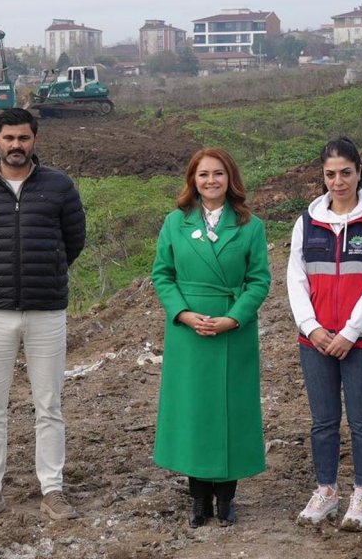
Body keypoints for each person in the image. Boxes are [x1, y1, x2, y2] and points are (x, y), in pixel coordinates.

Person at [0, 108, 86, 522]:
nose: (16, 145)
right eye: (9, 138)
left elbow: (74, 240)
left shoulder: (60, 187)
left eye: (23, 138)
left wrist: (44, 273)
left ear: (34, 141)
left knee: (49, 404)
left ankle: (53, 489)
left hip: (47, 311)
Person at [152, 148, 271, 528]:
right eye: (203, 175)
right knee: (195, 412)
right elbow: (162, 275)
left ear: (230, 178)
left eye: (218, 174)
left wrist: (233, 318)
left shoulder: (250, 225)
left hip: (232, 332)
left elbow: (259, 280)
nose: (210, 181)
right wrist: (184, 315)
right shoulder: (175, 222)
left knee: (231, 412)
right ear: (193, 180)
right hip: (190, 334)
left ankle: (227, 498)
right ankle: (198, 499)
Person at [287, 138, 362, 532]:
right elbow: (295, 280)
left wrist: (350, 332)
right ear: (323, 176)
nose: (338, 181)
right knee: (323, 421)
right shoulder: (307, 223)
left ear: (359, 171)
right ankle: (326, 490)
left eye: (345, 173)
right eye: (330, 174)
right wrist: (311, 328)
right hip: (315, 341)